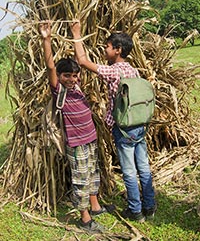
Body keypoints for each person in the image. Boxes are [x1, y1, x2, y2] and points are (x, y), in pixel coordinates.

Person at [70, 20, 156, 223]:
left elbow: (82, 61)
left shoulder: (112, 71)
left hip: (123, 128)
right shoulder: (133, 70)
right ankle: (150, 206)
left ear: (117, 50)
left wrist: (76, 33)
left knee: (129, 170)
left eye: (107, 47)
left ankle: (135, 210)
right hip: (139, 126)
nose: (105, 50)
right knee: (143, 167)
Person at [38, 21, 106, 233]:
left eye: (74, 75)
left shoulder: (78, 87)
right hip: (76, 144)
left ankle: (95, 207)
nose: (71, 79)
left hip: (90, 139)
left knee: (93, 174)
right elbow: (50, 65)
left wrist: (76, 33)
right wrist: (46, 39)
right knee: (80, 179)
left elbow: (80, 61)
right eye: (66, 75)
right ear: (59, 77)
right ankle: (85, 219)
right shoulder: (59, 91)